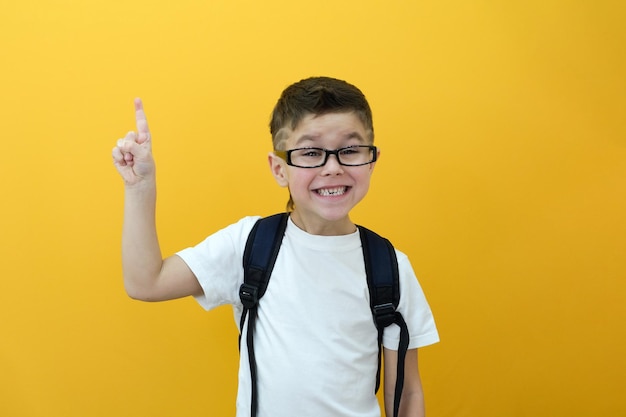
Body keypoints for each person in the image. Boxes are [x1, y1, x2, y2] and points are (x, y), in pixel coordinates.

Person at [112, 76, 439, 417]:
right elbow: (144, 282)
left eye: (350, 150)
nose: (332, 167)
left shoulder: (389, 266)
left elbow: (406, 391)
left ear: (371, 160)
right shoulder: (249, 243)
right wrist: (140, 187)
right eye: (311, 152)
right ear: (278, 169)